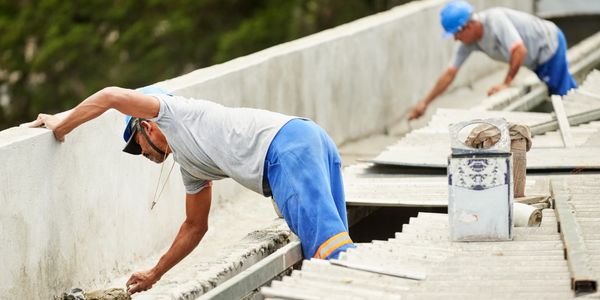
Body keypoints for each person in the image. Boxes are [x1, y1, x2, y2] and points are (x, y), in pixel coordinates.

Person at [27, 86, 355, 294]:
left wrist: (63, 123)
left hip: (286, 151)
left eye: (136, 144)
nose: (140, 153)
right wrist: (154, 273)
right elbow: (195, 227)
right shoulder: (191, 166)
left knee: (328, 255)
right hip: (307, 138)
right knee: (336, 247)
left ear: (147, 124)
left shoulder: (173, 113)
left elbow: (111, 96)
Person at [408, 0, 577, 120]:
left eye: (456, 34)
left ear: (468, 26)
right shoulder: (469, 43)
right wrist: (424, 103)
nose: (455, 39)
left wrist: (506, 83)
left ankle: (582, 121)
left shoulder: (495, 20)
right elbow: (449, 74)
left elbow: (519, 50)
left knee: (564, 95)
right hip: (537, 59)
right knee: (563, 89)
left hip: (549, 45)